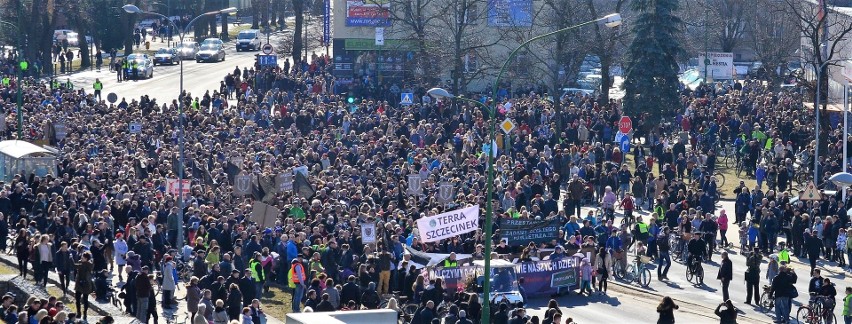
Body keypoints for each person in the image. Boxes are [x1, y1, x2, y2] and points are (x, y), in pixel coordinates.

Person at [74, 251, 93, 321]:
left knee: (83, 299)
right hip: (82, 283)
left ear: (86, 258)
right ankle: (80, 312)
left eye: (83, 257)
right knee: (80, 299)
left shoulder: (86, 264)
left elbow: (74, 266)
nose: (81, 257)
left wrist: (70, 259)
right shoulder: (83, 263)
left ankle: (83, 313)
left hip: (84, 283)